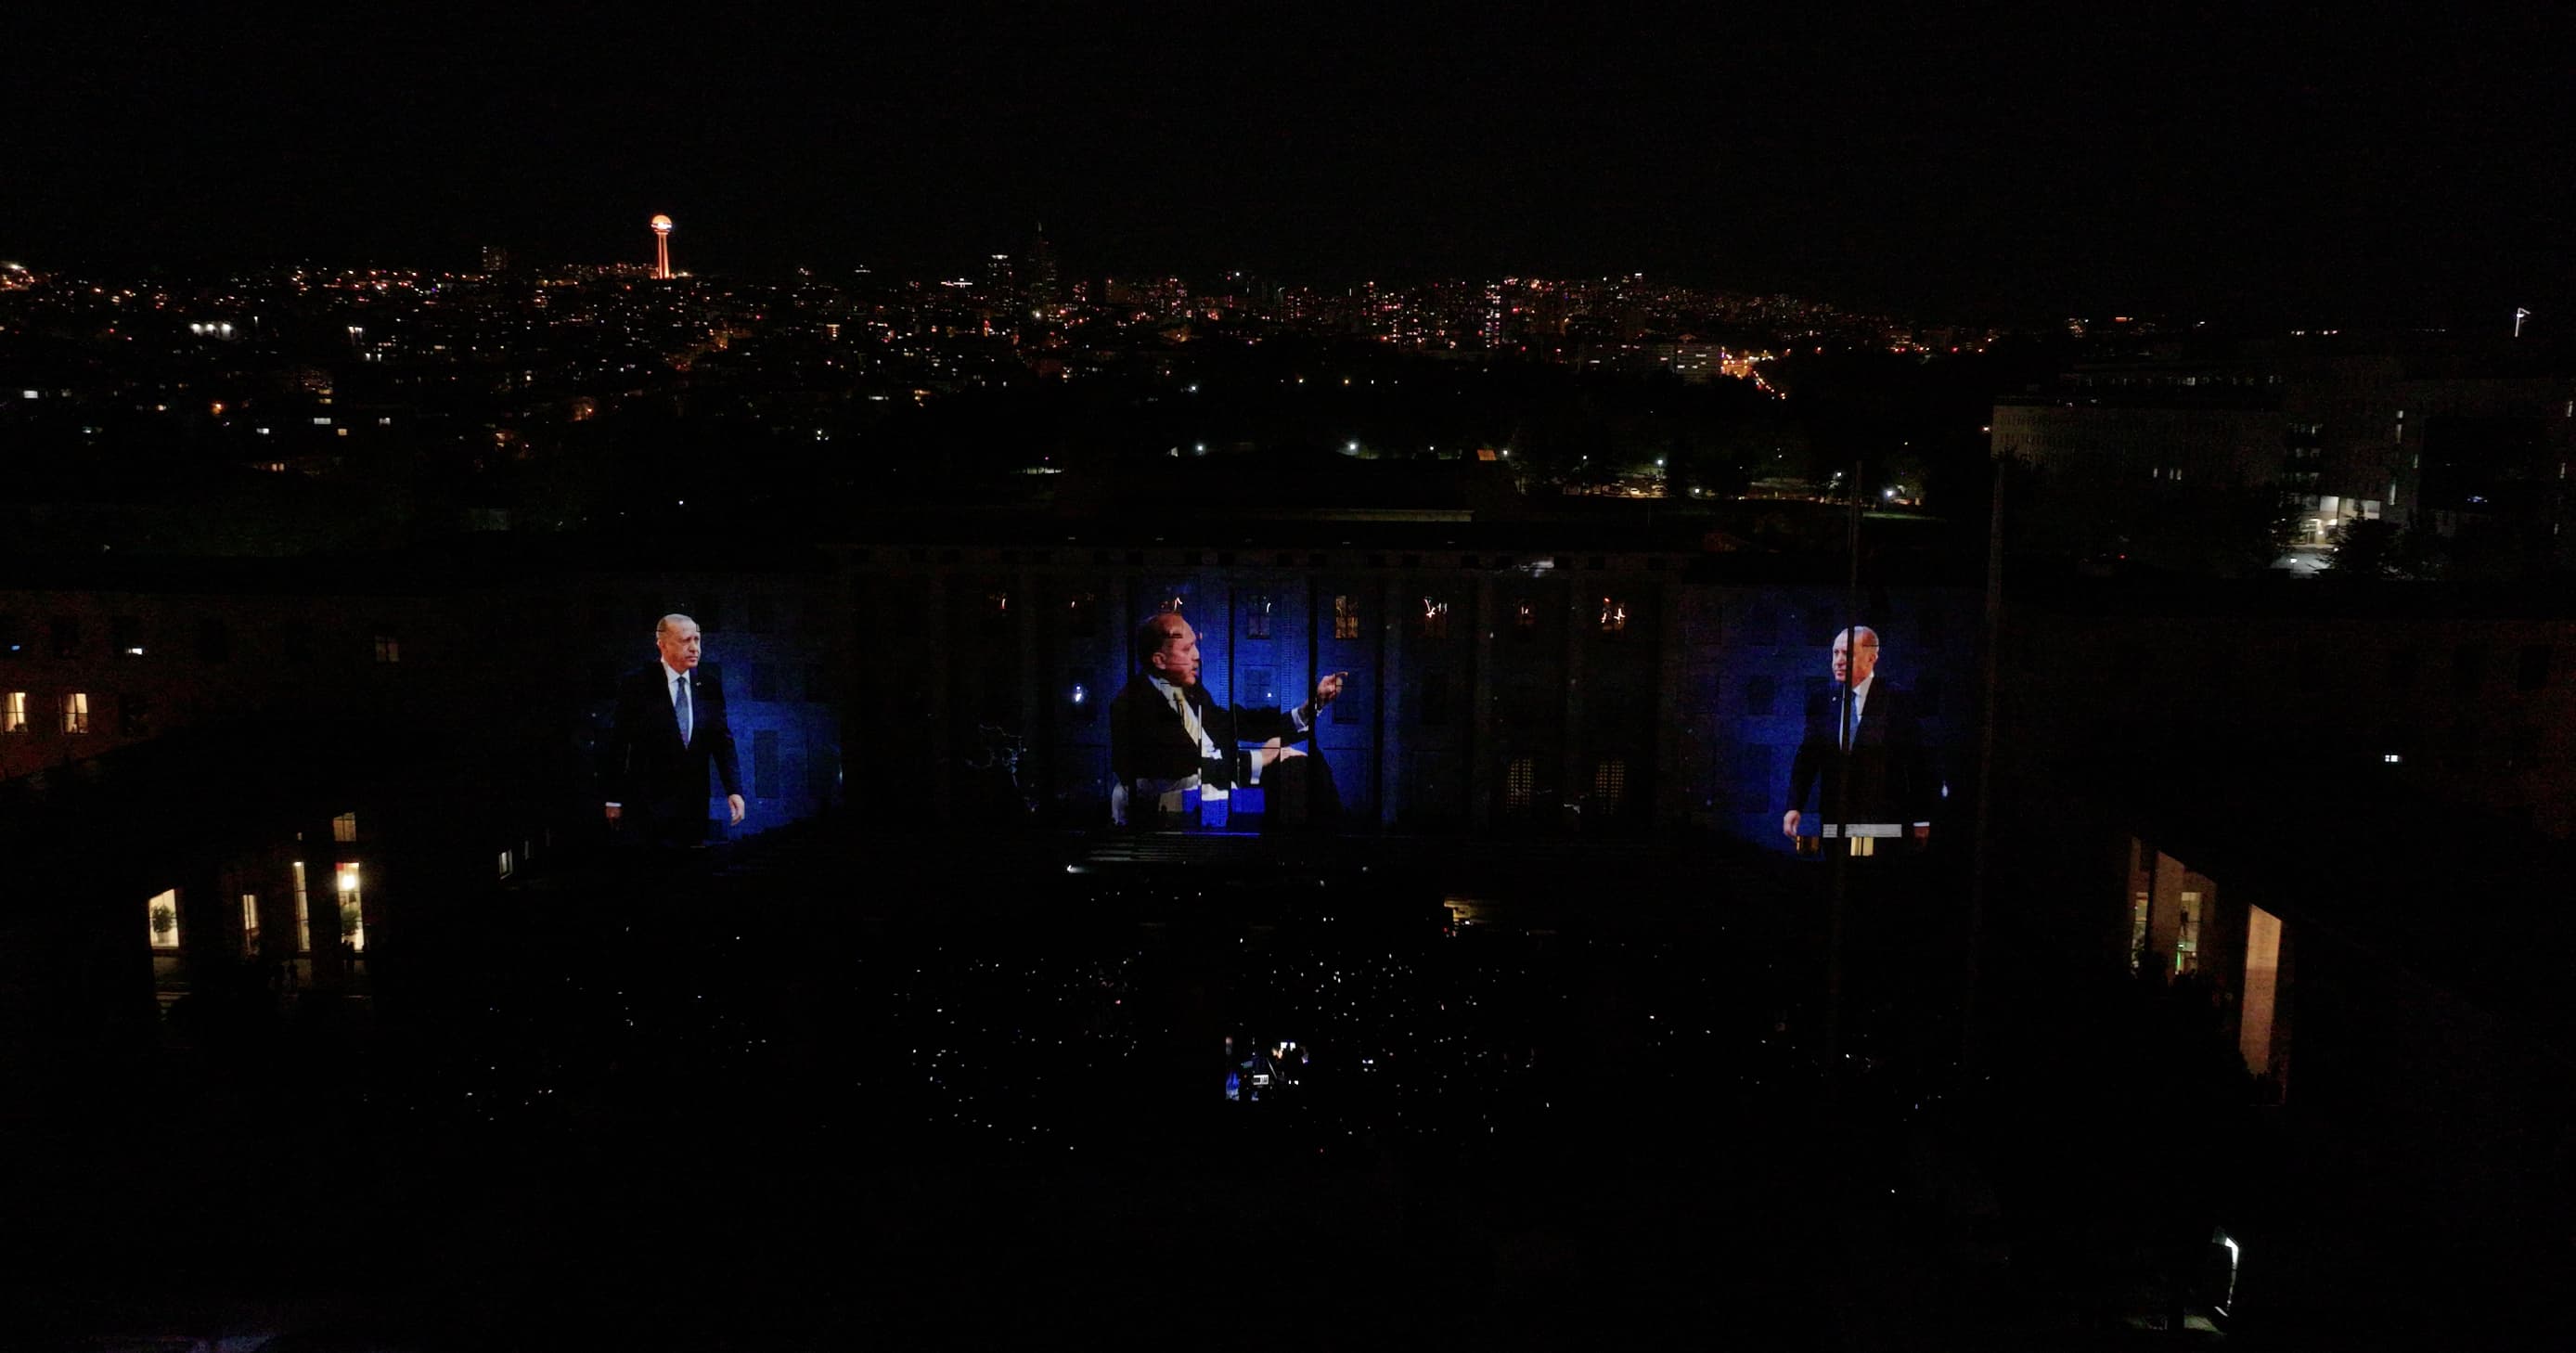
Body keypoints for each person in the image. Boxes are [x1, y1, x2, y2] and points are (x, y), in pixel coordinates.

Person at [1108, 612, 1346, 827]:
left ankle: (1330, 844)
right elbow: (1182, 766)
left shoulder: (1190, 691)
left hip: (1216, 782)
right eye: (1187, 649)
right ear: (1159, 660)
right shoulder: (1132, 704)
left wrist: (1311, 707)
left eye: (1195, 645)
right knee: (1294, 774)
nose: (1197, 656)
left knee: (1305, 762)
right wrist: (1260, 758)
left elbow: (1238, 722)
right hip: (1181, 802)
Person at [602, 612, 745, 848]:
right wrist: (613, 799)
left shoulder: (709, 686)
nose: (694, 648)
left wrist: (734, 791)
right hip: (646, 806)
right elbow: (618, 744)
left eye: (697, 640)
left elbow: (722, 742)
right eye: (685, 640)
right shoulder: (637, 684)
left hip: (692, 807)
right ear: (662, 645)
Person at [1781, 625, 1933, 844]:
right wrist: (1794, 806)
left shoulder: (1897, 699)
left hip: (1883, 824)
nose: (1838, 661)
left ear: (1872, 658)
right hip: (1836, 822)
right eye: (1835, 653)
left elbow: (1918, 762)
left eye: (1847, 654)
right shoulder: (1822, 700)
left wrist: (1922, 818)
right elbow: (1807, 758)